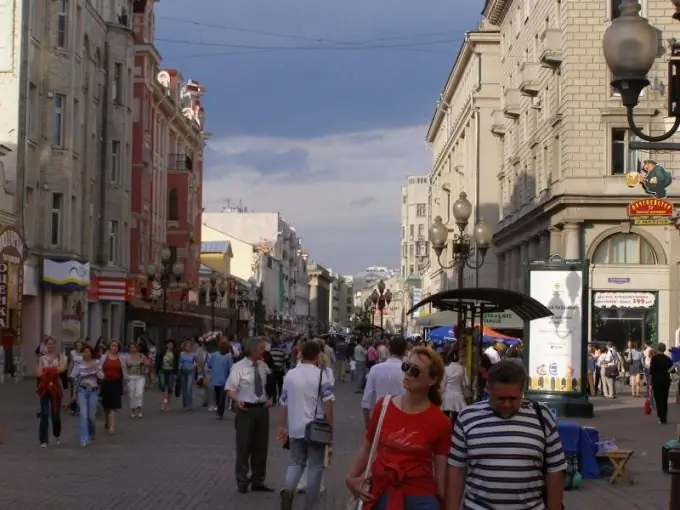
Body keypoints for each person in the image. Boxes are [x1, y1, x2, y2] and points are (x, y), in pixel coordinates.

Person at [446, 360, 566, 510]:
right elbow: (456, 470)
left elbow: (555, 470)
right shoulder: (467, 417)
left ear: (522, 392)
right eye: (501, 399)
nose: (507, 404)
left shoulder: (542, 416)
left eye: (513, 398)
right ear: (488, 390)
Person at [345, 346, 451, 509]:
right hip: (381, 495)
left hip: (420, 499)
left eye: (415, 371)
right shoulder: (383, 406)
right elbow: (367, 446)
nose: (408, 373)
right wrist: (351, 477)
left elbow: (441, 474)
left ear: (432, 380)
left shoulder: (440, 422)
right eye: (406, 366)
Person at [278, 340, 335, 510]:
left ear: (301, 354)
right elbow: (327, 404)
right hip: (316, 427)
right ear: (318, 355)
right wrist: (331, 426)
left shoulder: (290, 375)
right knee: (315, 466)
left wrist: (282, 425)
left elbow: (283, 402)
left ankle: (288, 489)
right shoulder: (321, 375)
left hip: (295, 427)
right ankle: (310, 505)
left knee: (296, 461)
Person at [225, 336, 274, 493]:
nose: (263, 351)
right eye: (260, 348)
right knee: (244, 445)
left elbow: (269, 385)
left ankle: (258, 479)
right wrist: (236, 400)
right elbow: (230, 388)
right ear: (252, 350)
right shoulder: (238, 367)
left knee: (261, 446)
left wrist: (271, 398)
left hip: (261, 409)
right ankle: (242, 480)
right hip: (246, 408)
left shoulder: (263, 366)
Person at [361, 336, 407, 426]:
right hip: (401, 419)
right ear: (405, 352)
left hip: (379, 418)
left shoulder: (375, 369)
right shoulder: (407, 372)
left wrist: (368, 425)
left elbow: (366, 402)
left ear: (389, 349)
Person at [37, 337, 67, 447]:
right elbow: (39, 373)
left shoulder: (60, 357)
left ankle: (57, 433)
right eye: (48, 344)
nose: (50, 346)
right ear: (45, 346)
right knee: (44, 413)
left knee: (55, 414)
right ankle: (43, 440)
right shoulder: (42, 359)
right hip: (44, 387)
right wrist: (51, 370)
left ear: (55, 345)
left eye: (52, 344)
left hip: (56, 387)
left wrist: (48, 370)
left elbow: (62, 368)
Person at [70, 344, 103, 447]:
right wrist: (73, 395)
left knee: (91, 416)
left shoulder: (96, 363)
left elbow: (102, 376)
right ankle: (83, 438)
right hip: (82, 390)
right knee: (83, 414)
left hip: (93, 391)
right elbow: (75, 379)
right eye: (84, 352)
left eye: (88, 352)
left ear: (91, 353)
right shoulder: (78, 364)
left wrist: (96, 369)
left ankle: (92, 431)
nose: (86, 353)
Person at [99, 339, 128, 434]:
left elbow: (124, 371)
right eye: (112, 346)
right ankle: (107, 420)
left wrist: (125, 383)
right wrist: (101, 376)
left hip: (116, 383)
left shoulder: (122, 358)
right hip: (106, 383)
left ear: (118, 347)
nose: (114, 347)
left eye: (116, 346)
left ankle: (112, 426)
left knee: (114, 405)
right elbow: (99, 369)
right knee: (106, 405)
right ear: (109, 347)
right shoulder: (104, 357)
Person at [207, 338, 234, 419]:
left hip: (224, 380)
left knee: (222, 397)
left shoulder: (228, 357)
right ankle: (219, 409)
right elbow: (209, 365)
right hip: (215, 379)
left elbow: (231, 368)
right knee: (218, 396)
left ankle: (220, 412)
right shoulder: (214, 355)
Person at [649, 342, 675, 424]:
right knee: (664, 398)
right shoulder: (667, 359)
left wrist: (650, 381)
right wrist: (667, 371)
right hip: (666, 380)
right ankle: (664, 417)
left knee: (658, 399)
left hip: (657, 380)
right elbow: (673, 370)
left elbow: (651, 371)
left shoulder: (654, 358)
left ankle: (660, 417)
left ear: (658, 349)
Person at [441, 349, 468, 422]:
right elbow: (466, 383)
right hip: (458, 396)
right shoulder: (462, 368)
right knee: (457, 419)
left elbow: (443, 384)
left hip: (447, 396)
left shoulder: (446, 369)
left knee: (445, 417)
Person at [126, 342, 150, 418]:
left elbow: (148, 364)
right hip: (130, 377)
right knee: (131, 394)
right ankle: (133, 410)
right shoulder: (127, 357)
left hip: (140, 376)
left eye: (133, 347)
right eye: (131, 347)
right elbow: (123, 367)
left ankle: (139, 410)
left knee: (139, 393)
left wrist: (144, 363)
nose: (132, 349)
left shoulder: (141, 355)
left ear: (137, 348)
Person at [156, 340, 179, 411]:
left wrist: (176, 373)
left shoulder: (175, 353)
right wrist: (157, 371)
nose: (170, 346)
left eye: (171, 345)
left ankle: (169, 404)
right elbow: (158, 362)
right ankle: (163, 404)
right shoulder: (162, 353)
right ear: (166, 345)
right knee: (162, 387)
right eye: (169, 344)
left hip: (171, 372)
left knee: (170, 387)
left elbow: (176, 364)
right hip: (163, 371)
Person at [178, 340, 197, 410]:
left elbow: (196, 363)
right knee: (184, 388)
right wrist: (179, 370)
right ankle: (184, 404)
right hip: (183, 371)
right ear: (184, 347)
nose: (188, 347)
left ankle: (189, 404)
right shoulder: (182, 354)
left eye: (189, 346)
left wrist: (194, 367)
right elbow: (180, 362)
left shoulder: (194, 354)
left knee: (189, 388)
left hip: (190, 372)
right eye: (187, 346)